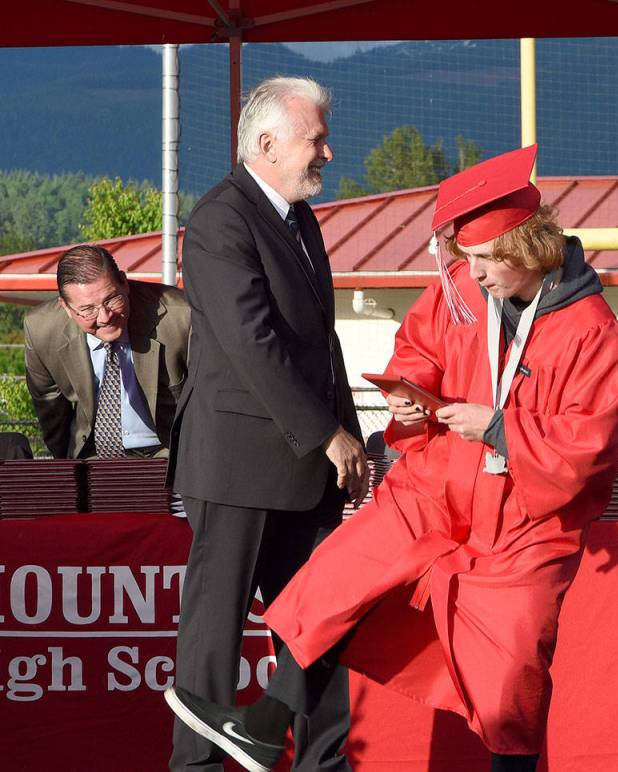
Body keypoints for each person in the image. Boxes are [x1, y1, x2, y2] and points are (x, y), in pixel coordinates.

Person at [164, 144, 618, 772]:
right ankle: (267, 725)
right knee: (333, 581)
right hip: (434, 486)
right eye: (468, 258)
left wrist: (498, 427)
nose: (476, 273)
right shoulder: (462, 289)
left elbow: (588, 446)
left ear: (528, 252)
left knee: (509, 675)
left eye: (489, 260)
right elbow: (418, 348)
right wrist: (410, 396)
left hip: (524, 522)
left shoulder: (591, 331)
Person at [166, 76, 367, 772]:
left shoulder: (299, 219)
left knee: (321, 624)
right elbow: (256, 345)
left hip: (308, 470)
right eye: (317, 140)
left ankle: (324, 762)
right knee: (213, 642)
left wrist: (350, 430)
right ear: (267, 143)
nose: (329, 154)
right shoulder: (221, 220)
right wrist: (327, 434)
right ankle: (196, 766)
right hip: (239, 467)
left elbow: (320, 341)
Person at [23, 244, 190, 458]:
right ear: (65, 307)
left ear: (124, 282)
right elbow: (50, 408)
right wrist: (66, 464)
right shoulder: (41, 330)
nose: (104, 316)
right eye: (87, 309)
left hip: (169, 451)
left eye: (112, 299)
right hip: (91, 452)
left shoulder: (180, 316)